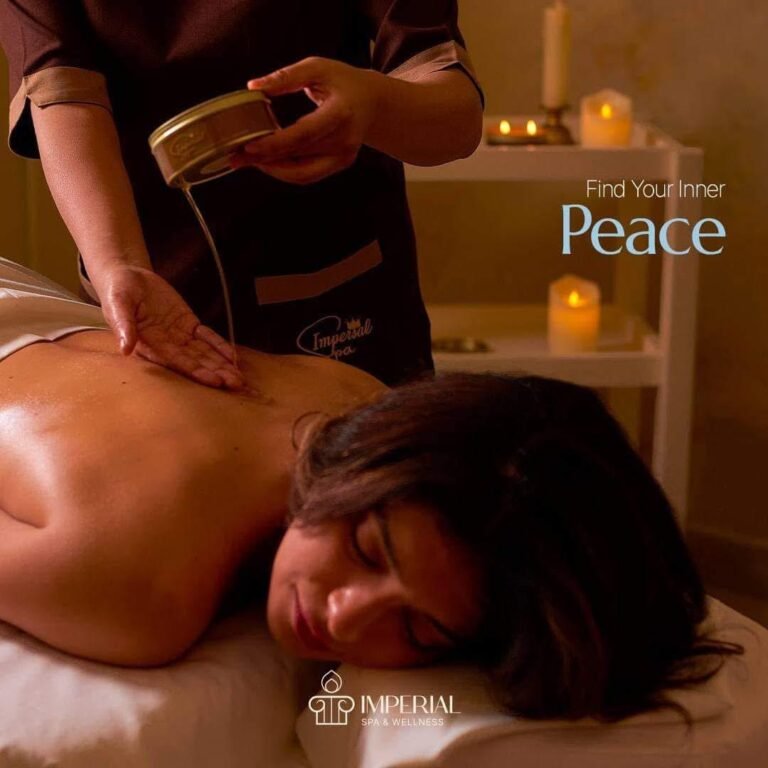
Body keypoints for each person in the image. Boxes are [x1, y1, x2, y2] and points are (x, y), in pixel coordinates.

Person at [0, 257, 742, 722]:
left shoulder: (355, 393)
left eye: (419, 632)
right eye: (366, 548)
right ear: (359, 463)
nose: (344, 619)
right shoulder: (138, 592)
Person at [0, 1, 485, 388]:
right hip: (149, 293)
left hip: (339, 293)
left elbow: (456, 117)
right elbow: (62, 94)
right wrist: (118, 265)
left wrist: (375, 106)